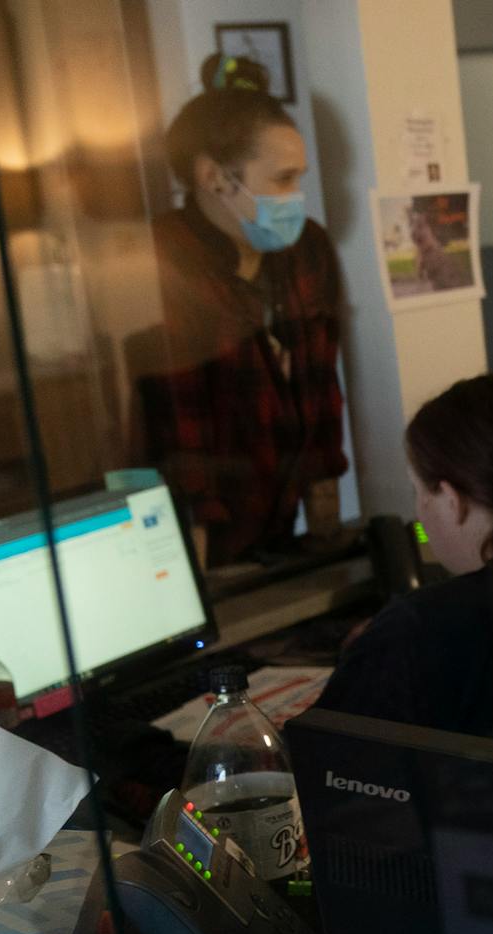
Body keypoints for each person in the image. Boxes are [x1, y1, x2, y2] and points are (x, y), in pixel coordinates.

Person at [141, 55, 347, 568]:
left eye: (299, 178)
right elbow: (177, 427)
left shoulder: (308, 248)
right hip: (199, 544)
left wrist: (325, 535)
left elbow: (322, 386)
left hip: (281, 531)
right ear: (214, 178)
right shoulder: (159, 260)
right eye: (281, 179)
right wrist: (203, 580)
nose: (295, 197)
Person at [315, 375, 493, 744]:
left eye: (417, 491)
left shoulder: (418, 630)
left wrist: (378, 651)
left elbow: (318, 762)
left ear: (452, 499)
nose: (419, 514)